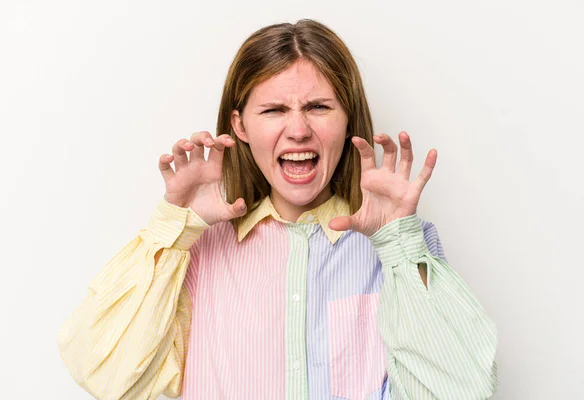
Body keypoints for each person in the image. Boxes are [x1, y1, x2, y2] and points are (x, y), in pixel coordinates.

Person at [58, 19, 498, 400]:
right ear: (240, 125)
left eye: (319, 107)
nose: (299, 130)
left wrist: (398, 244)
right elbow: (106, 377)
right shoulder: (195, 252)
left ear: (347, 119)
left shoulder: (400, 247)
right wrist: (173, 229)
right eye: (273, 109)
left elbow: (457, 391)